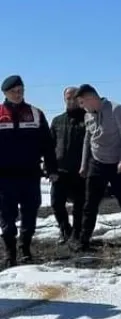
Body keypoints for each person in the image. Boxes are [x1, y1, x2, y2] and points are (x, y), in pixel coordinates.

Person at [74, 84, 121, 250]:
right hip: (96, 164)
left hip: (118, 165)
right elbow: (87, 140)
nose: (82, 107)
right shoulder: (88, 116)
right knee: (90, 204)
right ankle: (83, 241)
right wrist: (84, 164)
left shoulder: (116, 109)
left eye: (83, 102)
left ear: (91, 98)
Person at [0, 75, 58, 268]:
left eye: (21, 90)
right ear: (5, 93)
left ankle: (25, 248)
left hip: (30, 175)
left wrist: (52, 169)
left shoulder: (35, 113)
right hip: (4, 178)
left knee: (30, 214)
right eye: (14, 91)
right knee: (6, 217)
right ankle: (10, 252)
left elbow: (47, 145)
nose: (18, 94)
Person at [50, 86, 87, 245]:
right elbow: (50, 145)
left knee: (79, 206)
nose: (71, 101)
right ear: (64, 99)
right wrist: (49, 167)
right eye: (68, 98)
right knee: (56, 202)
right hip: (60, 171)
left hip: (81, 171)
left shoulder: (88, 119)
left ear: (80, 99)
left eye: (74, 98)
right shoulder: (57, 121)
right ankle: (65, 230)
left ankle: (77, 234)